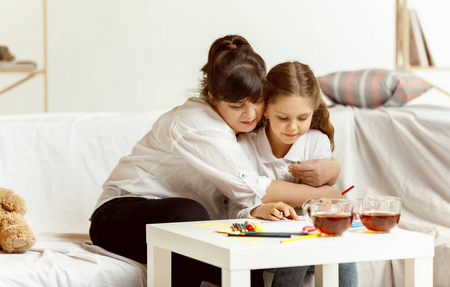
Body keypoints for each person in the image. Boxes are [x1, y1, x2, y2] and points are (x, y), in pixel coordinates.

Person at [89, 35, 341, 286]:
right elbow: (251, 187)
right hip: (118, 217)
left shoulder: (257, 124)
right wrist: (326, 192)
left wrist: (331, 168)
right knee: (189, 216)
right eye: (236, 105)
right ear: (212, 98)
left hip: (181, 222)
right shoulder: (198, 123)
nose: (250, 114)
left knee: (243, 252)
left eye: (256, 100)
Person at [238, 61, 357, 286]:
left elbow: (328, 198)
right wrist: (259, 209)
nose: (293, 127)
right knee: (298, 246)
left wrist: (326, 202)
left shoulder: (316, 142)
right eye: (283, 118)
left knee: (341, 252)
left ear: (313, 112)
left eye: (303, 118)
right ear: (265, 110)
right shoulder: (246, 145)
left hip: (306, 240)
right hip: (262, 244)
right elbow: (235, 203)